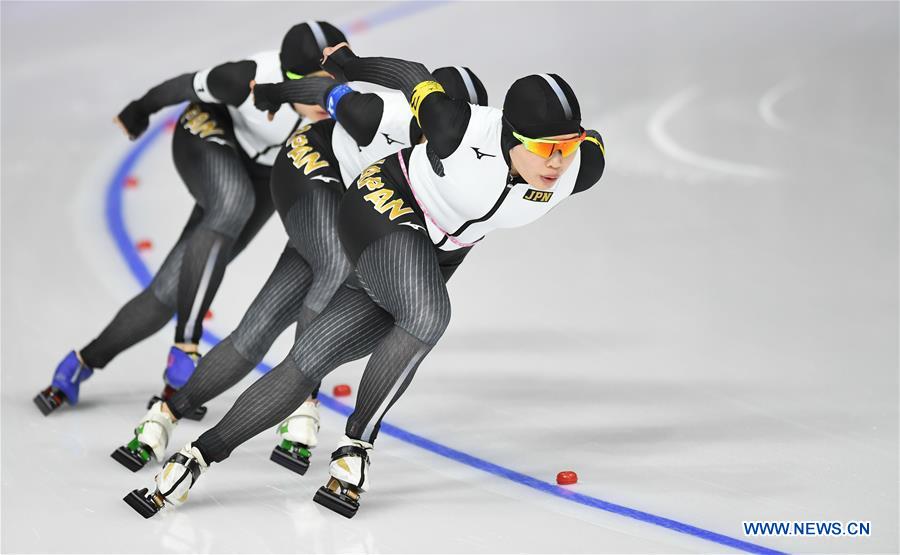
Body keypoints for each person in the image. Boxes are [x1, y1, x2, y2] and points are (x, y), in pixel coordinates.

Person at [124, 44, 605, 520]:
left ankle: (195, 456)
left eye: (568, 147)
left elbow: (586, 149)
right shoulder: (449, 126)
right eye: (545, 149)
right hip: (379, 203)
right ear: (508, 134)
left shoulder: (581, 166)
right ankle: (354, 448)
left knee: (309, 359)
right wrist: (335, 70)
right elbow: (402, 74)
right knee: (428, 314)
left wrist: (576, 148)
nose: (557, 163)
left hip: (437, 250)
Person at [111, 66, 489, 472]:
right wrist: (274, 92)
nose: (454, 145)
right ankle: (304, 401)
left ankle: (165, 413)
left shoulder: (473, 170)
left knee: (258, 328)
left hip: (352, 210)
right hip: (311, 166)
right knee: (334, 263)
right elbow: (325, 89)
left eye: (465, 137)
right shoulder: (381, 115)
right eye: (448, 132)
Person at [34, 22, 346, 420]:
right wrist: (139, 109)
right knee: (233, 202)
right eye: (312, 86)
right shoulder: (245, 78)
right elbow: (184, 85)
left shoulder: (342, 105)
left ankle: (80, 363)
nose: (324, 96)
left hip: (264, 171)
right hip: (209, 132)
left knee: (172, 289)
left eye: (333, 83)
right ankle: (186, 346)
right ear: (287, 79)